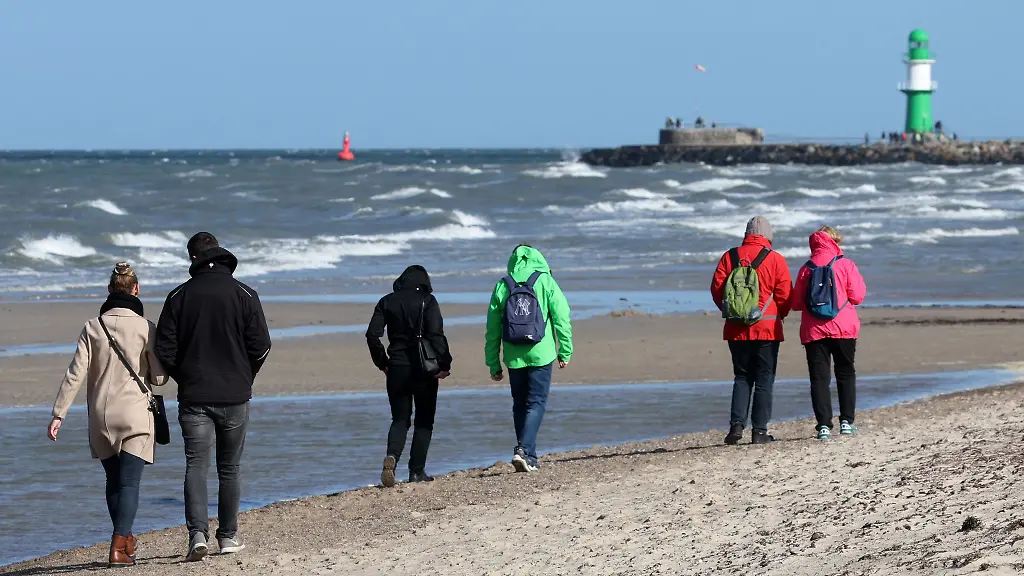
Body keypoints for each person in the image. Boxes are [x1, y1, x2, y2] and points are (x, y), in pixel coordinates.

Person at [155, 232, 272, 562]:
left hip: (195, 395)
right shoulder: (244, 293)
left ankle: (197, 535)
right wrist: (245, 375)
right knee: (229, 468)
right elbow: (261, 346)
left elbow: (164, 349)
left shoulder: (179, 295)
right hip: (234, 394)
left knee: (196, 465)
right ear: (218, 253)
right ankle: (228, 535)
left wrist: (185, 377)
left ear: (193, 258)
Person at [48, 262, 167, 567]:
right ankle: (118, 546)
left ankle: (125, 540)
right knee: (129, 484)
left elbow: (75, 373)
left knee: (114, 481)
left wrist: (59, 414)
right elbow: (159, 378)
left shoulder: (93, 326)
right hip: (135, 413)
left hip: (100, 416)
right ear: (136, 289)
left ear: (109, 289)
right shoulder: (146, 327)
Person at [485, 244, 573, 472]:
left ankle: (527, 454)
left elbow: (492, 328)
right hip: (541, 352)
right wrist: (565, 350)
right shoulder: (545, 281)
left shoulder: (503, 284)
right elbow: (562, 317)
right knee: (536, 402)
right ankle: (524, 450)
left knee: (519, 404)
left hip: (514, 354)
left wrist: (493, 362)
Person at [366, 265, 452, 487]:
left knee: (400, 419)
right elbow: (436, 335)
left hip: (396, 368)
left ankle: (392, 457)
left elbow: (372, 335)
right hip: (425, 369)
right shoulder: (428, 301)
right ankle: (417, 471)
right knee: (424, 420)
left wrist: (382, 363)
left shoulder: (386, 301)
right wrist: (445, 364)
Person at [710, 216, 792, 445]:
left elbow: (717, 289)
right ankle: (760, 432)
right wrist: (780, 314)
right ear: (768, 235)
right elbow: (785, 294)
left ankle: (736, 426)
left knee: (742, 376)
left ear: (747, 234)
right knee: (765, 378)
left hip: (736, 328)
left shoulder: (729, 256)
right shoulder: (775, 259)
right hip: (767, 327)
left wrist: (732, 312)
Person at [790, 226, 867, 440]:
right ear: (834, 242)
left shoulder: (806, 268)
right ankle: (846, 422)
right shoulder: (846, 264)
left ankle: (824, 426)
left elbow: (796, 304)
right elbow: (858, 296)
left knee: (819, 378)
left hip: (814, 330)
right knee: (845, 373)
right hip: (843, 327)